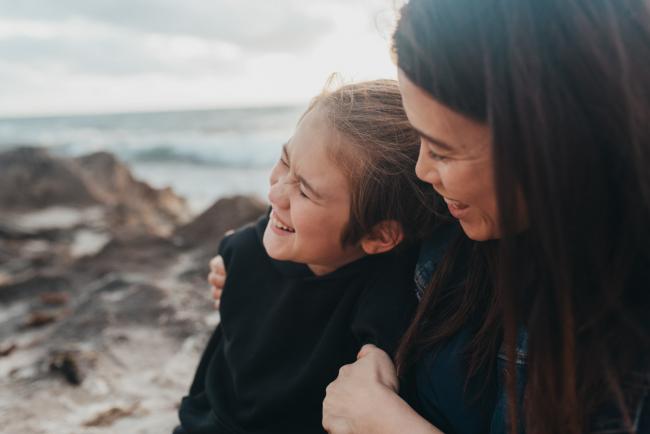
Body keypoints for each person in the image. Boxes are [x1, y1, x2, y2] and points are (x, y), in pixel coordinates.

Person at [321, 1, 650, 434]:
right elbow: (340, 212)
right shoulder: (453, 231)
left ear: (554, 144)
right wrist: (248, 260)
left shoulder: (628, 333)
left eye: (442, 150)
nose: (422, 171)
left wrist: (387, 424)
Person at [174, 79, 443, 434]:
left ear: (379, 235)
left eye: (304, 190)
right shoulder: (243, 250)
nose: (275, 192)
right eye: (284, 162)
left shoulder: (387, 292)